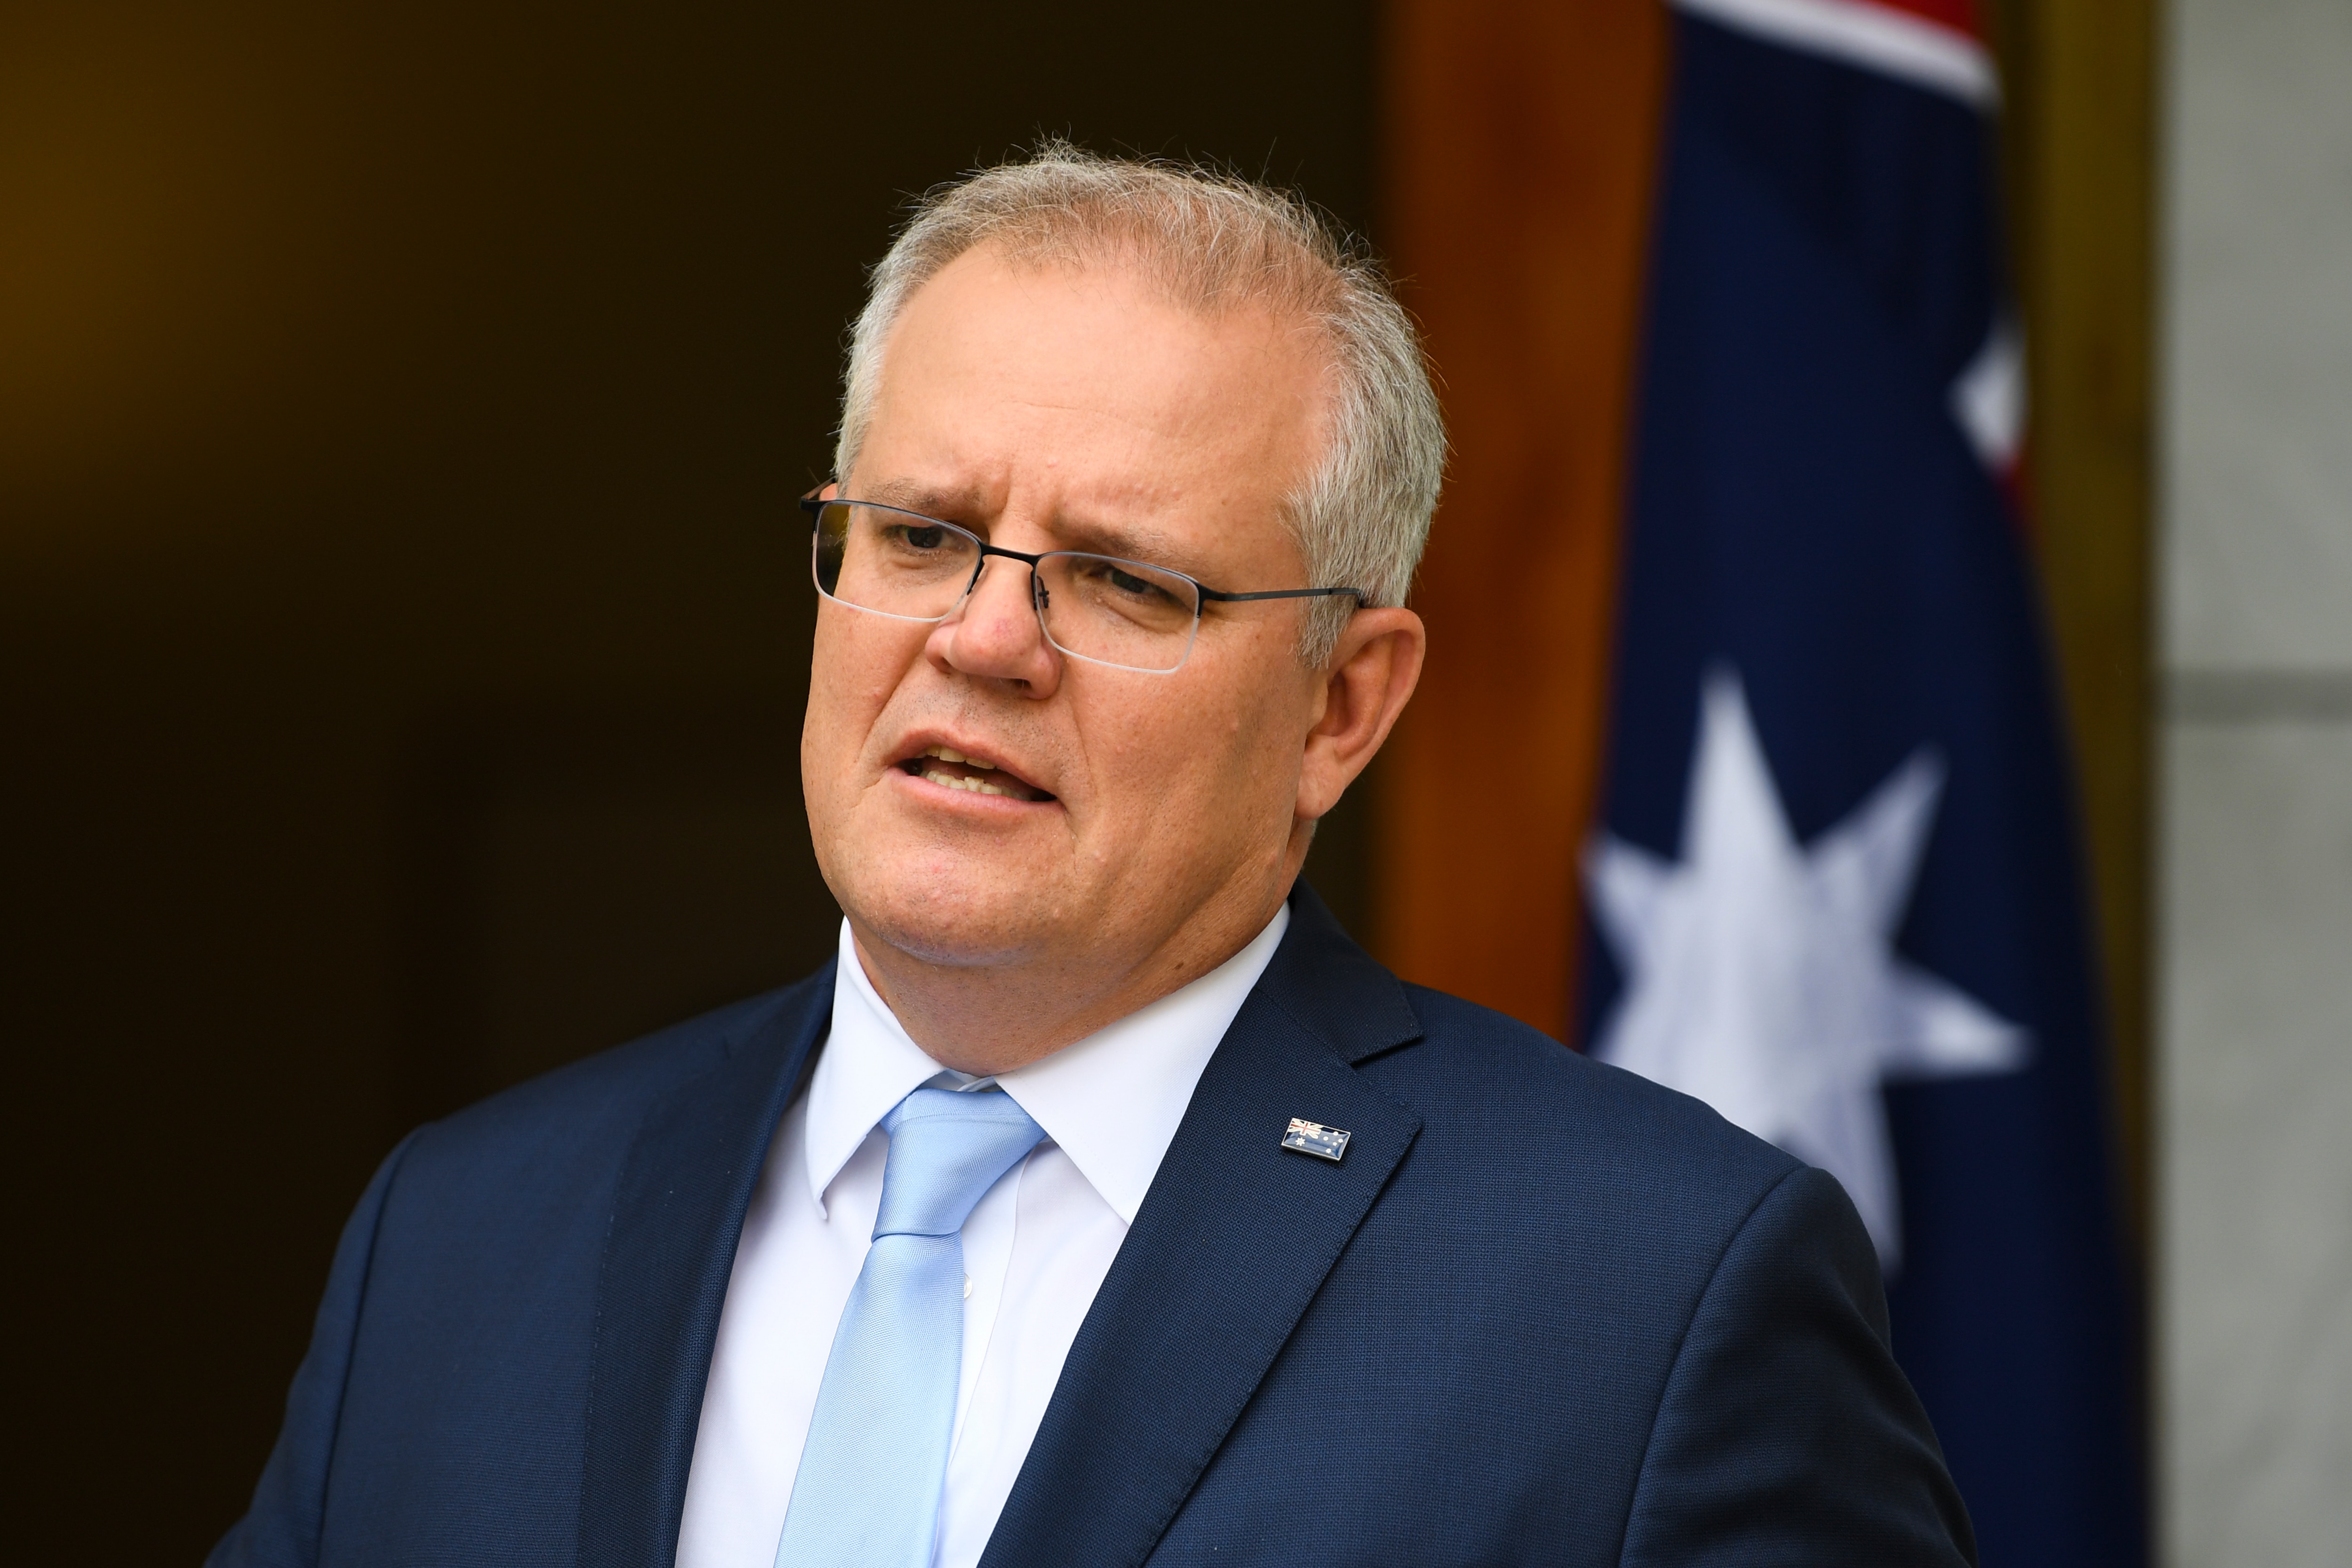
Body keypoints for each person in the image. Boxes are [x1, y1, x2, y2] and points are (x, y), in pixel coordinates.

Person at [213, 146, 1976, 1568]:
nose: (983, 640)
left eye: (1129, 580)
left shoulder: (1649, 1300)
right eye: (921, 534)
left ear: (1342, 708)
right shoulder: (460, 1240)